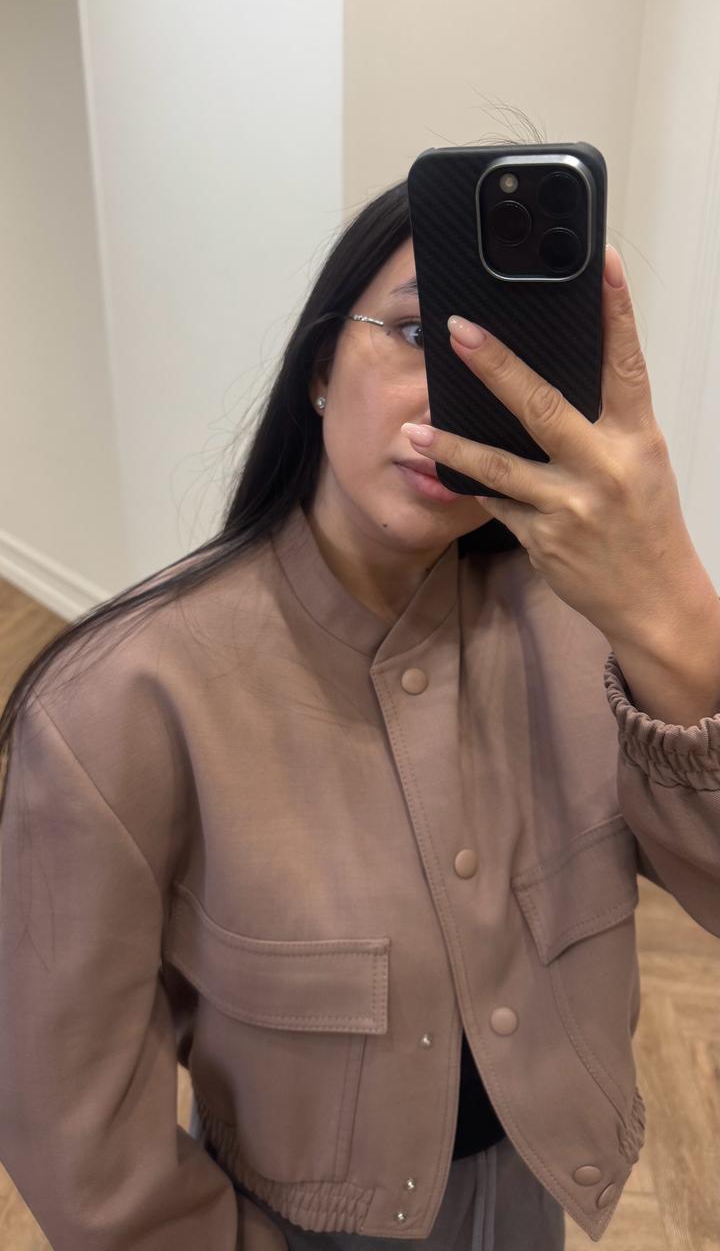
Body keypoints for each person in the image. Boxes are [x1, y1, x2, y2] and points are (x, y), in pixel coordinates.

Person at [1, 168, 719, 1251]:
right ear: (319, 370)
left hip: (541, 1191)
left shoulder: (588, 634)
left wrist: (675, 614)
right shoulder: (120, 707)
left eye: (514, 353)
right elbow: (79, 1139)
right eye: (418, 331)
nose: (455, 393)